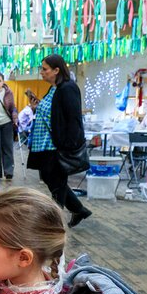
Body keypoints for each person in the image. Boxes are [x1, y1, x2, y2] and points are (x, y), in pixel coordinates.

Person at [27, 55, 92, 228]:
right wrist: (37, 107)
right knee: (52, 179)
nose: (41, 72)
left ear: (56, 70)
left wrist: (68, 144)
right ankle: (78, 209)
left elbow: (73, 118)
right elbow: (53, 112)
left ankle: (55, 221)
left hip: (56, 145)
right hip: (46, 144)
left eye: (45, 69)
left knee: (56, 181)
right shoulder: (54, 88)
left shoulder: (67, 88)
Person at [0, 73, 18, 180]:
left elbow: (13, 107)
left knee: (8, 147)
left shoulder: (8, 93)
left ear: (3, 82)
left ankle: (9, 172)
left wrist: (15, 118)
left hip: (6, 123)